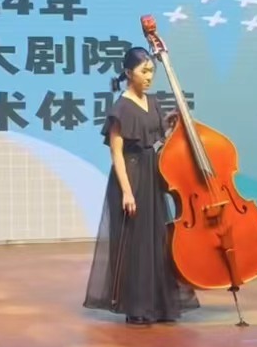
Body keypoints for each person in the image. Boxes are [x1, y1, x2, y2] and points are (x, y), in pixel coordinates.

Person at [82, 46, 200, 326]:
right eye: (143, 71)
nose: (148, 77)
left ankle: (158, 305)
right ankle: (136, 306)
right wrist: (126, 192)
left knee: (155, 242)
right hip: (131, 179)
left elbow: (154, 139)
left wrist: (169, 125)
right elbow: (117, 154)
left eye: (151, 72)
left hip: (151, 175)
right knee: (135, 245)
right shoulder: (120, 109)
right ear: (128, 73)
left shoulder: (153, 102)